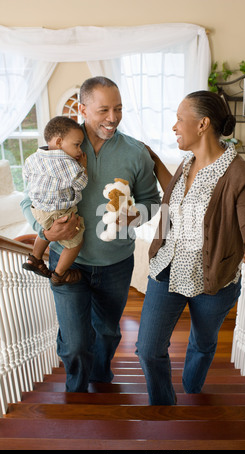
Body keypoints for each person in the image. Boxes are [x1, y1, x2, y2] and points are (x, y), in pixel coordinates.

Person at [136, 90, 245, 405]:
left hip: (213, 280)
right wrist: (155, 162)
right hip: (167, 269)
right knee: (147, 348)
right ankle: (163, 405)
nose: (174, 127)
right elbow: (181, 193)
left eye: (179, 120)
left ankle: (193, 393)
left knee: (203, 343)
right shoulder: (187, 164)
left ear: (202, 124)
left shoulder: (239, 175)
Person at [21, 76, 160, 392]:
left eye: (119, 109)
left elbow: (153, 202)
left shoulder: (136, 153)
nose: (113, 118)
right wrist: (43, 229)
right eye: (103, 110)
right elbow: (29, 199)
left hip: (116, 263)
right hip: (69, 262)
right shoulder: (58, 146)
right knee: (75, 343)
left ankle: (101, 380)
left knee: (108, 333)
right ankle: (77, 391)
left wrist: (134, 214)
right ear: (82, 109)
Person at [22, 116, 87, 286]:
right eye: (77, 145)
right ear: (59, 142)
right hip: (60, 211)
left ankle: (35, 258)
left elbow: (26, 177)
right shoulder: (68, 163)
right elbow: (81, 184)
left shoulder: (33, 157)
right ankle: (59, 274)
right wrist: (84, 167)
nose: (79, 150)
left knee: (45, 230)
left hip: (37, 209)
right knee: (75, 241)